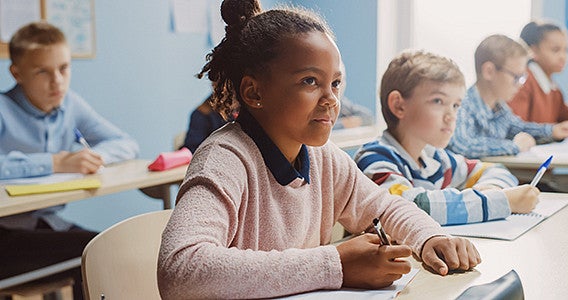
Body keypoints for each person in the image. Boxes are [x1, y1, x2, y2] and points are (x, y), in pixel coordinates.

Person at [158, 1, 480, 299]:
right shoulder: (225, 160)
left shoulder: (324, 158)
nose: (331, 100)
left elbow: (385, 207)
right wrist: (335, 264)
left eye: (335, 84)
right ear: (254, 92)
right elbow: (180, 269)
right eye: (310, 81)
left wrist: (430, 239)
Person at [0, 22, 139, 299]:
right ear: (17, 73)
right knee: (93, 251)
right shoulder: (3, 109)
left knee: (109, 248)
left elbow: (126, 144)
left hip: (45, 224)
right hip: (5, 232)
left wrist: (92, 158)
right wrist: (55, 162)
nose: (57, 82)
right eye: (43, 71)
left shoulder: (69, 105)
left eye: (64, 68)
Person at [354, 50, 539, 226]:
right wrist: (501, 201)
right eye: (438, 101)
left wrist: (490, 189)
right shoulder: (374, 159)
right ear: (399, 105)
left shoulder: (435, 158)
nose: (451, 116)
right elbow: (410, 208)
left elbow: (497, 170)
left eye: (456, 105)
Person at [447, 34, 568, 159]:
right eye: (516, 77)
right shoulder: (462, 105)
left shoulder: (499, 107)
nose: (520, 84)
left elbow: (517, 127)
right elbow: (463, 145)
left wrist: (553, 131)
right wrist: (514, 146)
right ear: (489, 71)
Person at [508, 20, 568, 131]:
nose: (563, 56)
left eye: (566, 50)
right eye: (555, 50)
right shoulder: (523, 82)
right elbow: (516, 128)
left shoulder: (553, 89)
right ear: (533, 50)